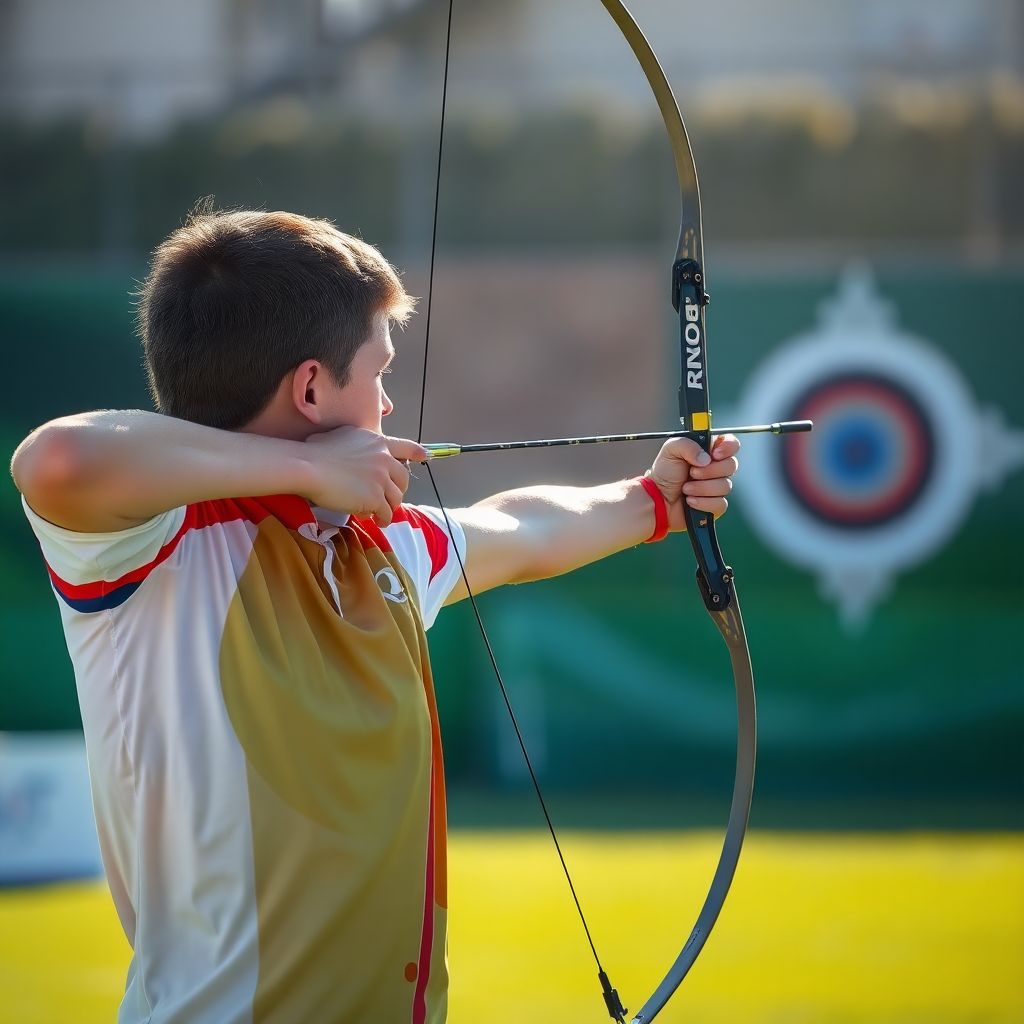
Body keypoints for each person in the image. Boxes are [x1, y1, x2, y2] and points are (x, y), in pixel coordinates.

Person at [10, 208, 740, 1024]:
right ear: (314, 388)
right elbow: (58, 458)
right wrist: (298, 465)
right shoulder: (155, 548)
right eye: (380, 373)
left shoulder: (380, 549)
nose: (390, 406)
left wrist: (651, 501)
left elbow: (523, 528)